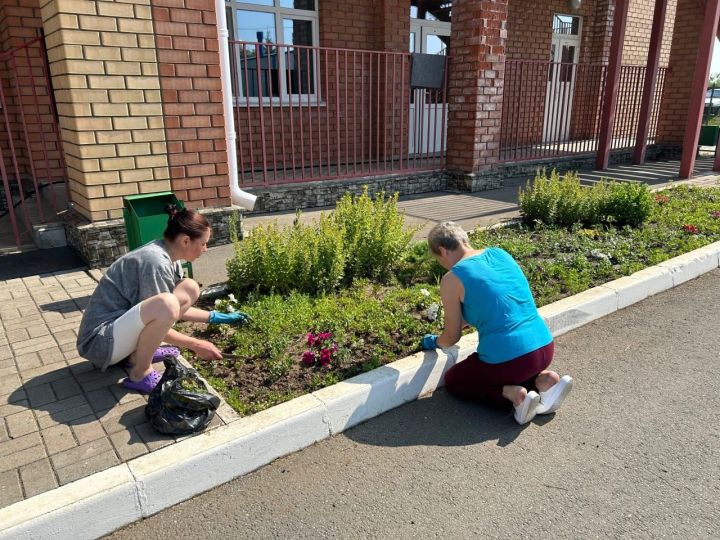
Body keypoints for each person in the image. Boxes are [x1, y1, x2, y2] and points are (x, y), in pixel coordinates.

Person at [77, 204, 249, 394]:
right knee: (167, 303)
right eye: (203, 243)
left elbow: (165, 313)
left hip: (118, 335)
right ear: (185, 240)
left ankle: (138, 355)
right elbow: (161, 314)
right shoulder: (155, 262)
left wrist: (215, 316)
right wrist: (196, 344)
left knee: (190, 287)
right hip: (99, 343)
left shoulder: (170, 258)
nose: (205, 249)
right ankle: (140, 373)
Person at [421, 221, 573, 425]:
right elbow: (499, 302)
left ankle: (514, 395)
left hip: (511, 361)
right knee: (515, 367)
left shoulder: (452, 278)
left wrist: (433, 341)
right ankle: (546, 381)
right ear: (464, 240)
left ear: (442, 251)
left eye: (438, 259)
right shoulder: (499, 254)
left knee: (455, 380)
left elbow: (451, 338)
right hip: (544, 346)